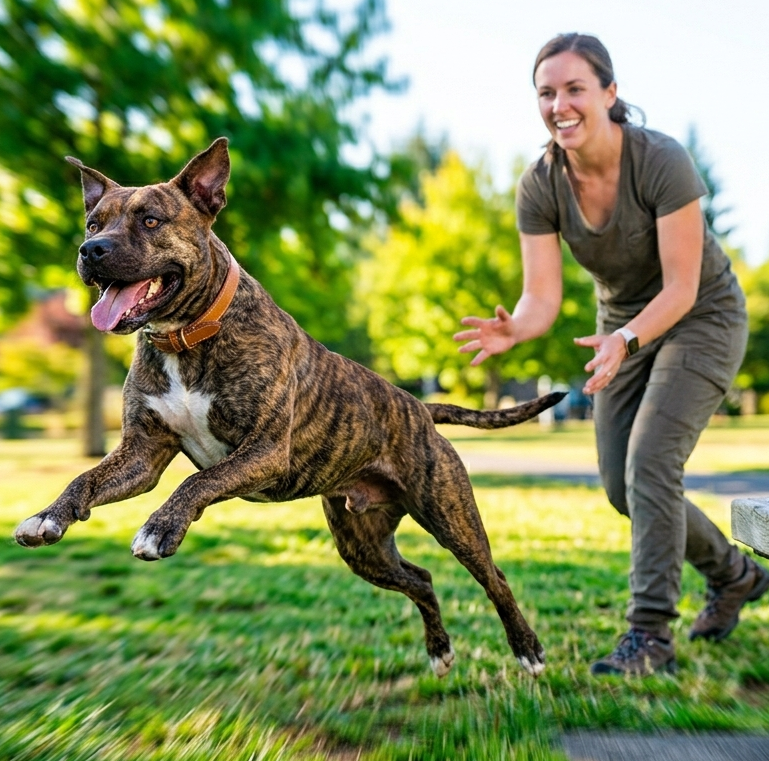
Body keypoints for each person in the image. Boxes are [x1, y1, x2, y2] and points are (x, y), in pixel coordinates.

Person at [454, 32, 769, 676]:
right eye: (546, 92)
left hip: (701, 317)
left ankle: (650, 634)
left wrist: (626, 339)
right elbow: (541, 297)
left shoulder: (661, 161)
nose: (559, 104)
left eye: (574, 89)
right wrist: (516, 328)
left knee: (651, 462)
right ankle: (734, 575)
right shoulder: (540, 185)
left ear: (610, 93)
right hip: (619, 327)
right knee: (624, 487)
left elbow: (681, 287)